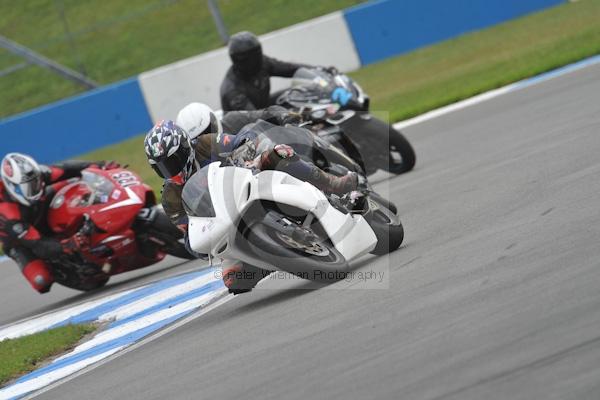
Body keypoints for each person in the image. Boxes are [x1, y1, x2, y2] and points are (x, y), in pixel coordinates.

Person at [144, 120, 357, 294]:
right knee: (235, 281)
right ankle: (275, 258)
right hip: (225, 226)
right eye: (162, 167)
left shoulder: (206, 143)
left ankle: (331, 184)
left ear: (185, 147)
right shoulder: (171, 198)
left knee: (279, 153)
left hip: (248, 184)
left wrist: (248, 157)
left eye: (172, 161)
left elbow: (241, 142)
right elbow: (189, 238)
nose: (170, 170)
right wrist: (200, 243)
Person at [0, 153, 119, 293]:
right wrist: (68, 245)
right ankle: (59, 266)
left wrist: (100, 165)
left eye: (35, 182)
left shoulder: (40, 175)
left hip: (39, 208)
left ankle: (99, 214)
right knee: (41, 281)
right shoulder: (8, 214)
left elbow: (68, 168)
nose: (34, 187)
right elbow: (38, 244)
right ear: (12, 186)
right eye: (27, 185)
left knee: (74, 181)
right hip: (19, 241)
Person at [220, 31, 337, 111]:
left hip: (265, 109)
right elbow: (252, 117)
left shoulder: (263, 63)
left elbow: (290, 68)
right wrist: (288, 116)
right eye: (251, 56)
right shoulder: (233, 91)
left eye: (257, 53)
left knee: (297, 93)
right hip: (246, 134)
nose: (256, 59)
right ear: (240, 59)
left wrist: (318, 70)